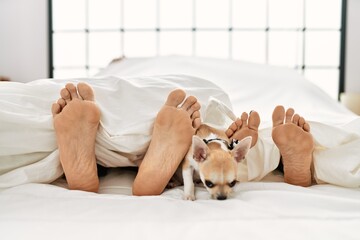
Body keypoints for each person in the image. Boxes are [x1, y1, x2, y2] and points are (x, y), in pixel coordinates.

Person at [52, 82, 314, 195]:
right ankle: (277, 159)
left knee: (220, 152)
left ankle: (90, 158)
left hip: (199, 150)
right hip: (208, 147)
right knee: (232, 155)